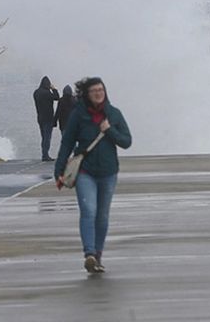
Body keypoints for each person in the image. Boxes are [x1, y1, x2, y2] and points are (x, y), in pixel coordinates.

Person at [54, 77, 131, 273]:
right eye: (94, 90)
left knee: (102, 215)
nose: (98, 93)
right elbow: (67, 143)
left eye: (101, 89)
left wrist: (110, 130)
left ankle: (97, 255)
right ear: (87, 95)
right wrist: (59, 171)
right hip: (85, 171)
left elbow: (126, 141)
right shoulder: (78, 115)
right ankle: (88, 253)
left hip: (108, 172)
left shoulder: (113, 114)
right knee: (89, 210)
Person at [34, 76, 60, 161]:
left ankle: (44, 154)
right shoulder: (47, 93)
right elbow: (57, 97)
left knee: (43, 137)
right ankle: (45, 155)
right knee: (47, 137)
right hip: (48, 118)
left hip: (40, 117)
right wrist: (54, 89)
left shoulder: (36, 93)